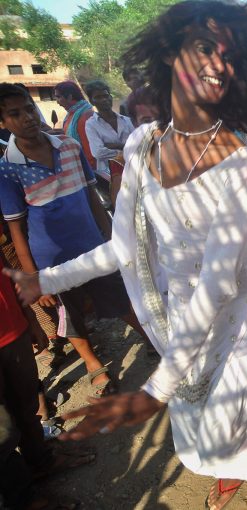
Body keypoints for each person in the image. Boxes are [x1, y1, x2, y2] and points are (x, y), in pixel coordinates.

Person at [4, 3, 247, 509]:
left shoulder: (245, 166)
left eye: (230, 56)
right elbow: (125, 245)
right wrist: (47, 280)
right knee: (207, 426)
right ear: (171, 53)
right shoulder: (142, 144)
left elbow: (217, 284)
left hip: (242, 320)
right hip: (179, 318)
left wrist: (156, 390)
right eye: (204, 47)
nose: (218, 64)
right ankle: (230, 468)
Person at [0, 83, 140, 400]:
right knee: (71, 314)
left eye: (29, 109)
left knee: (120, 297)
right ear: (3, 122)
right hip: (51, 260)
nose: (27, 118)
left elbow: (91, 196)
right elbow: (16, 229)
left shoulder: (68, 146)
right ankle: (93, 364)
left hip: (93, 247)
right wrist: (34, 277)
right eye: (15, 114)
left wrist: (111, 238)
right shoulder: (7, 169)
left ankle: (152, 338)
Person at [0, 255, 92, 510]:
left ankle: (40, 462)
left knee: (27, 407)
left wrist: (29, 318)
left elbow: (6, 271)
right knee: (2, 434)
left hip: (13, 330)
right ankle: (24, 500)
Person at [84, 79, 135, 207]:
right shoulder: (91, 124)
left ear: (110, 97)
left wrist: (115, 146)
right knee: (120, 207)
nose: (104, 100)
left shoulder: (127, 121)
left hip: (133, 171)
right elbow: (98, 153)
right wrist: (126, 149)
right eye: (98, 97)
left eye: (106, 95)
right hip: (110, 176)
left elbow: (139, 145)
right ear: (91, 101)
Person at [54, 81, 96, 170]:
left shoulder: (86, 115)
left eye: (59, 97)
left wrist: (89, 172)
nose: (57, 102)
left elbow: (91, 151)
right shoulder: (71, 115)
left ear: (69, 97)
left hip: (90, 169)